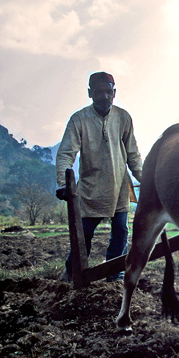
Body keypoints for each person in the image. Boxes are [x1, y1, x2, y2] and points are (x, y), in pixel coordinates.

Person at [55, 72, 143, 282]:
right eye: (99, 92)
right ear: (90, 93)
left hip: (120, 186)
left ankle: (115, 275)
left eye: (108, 91)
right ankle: (72, 271)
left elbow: (133, 154)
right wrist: (62, 182)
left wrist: (145, 179)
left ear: (114, 92)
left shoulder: (123, 117)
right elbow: (66, 153)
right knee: (83, 234)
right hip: (91, 189)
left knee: (121, 232)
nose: (104, 96)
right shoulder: (79, 120)